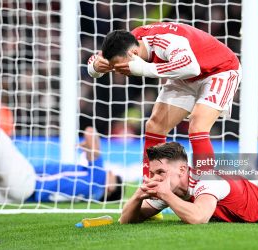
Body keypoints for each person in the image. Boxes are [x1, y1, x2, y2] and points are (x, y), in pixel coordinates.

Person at [87, 22, 241, 178]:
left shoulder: (166, 41)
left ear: (134, 53)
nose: (119, 72)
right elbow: (95, 59)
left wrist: (144, 69)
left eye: (121, 67)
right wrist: (95, 67)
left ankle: (207, 187)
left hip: (219, 70)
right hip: (185, 77)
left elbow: (190, 66)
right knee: (154, 126)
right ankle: (152, 187)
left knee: (197, 125)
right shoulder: (125, 43)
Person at [119, 142, 258, 225]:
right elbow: (125, 221)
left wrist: (166, 196)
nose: (155, 178)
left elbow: (199, 217)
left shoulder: (207, 180)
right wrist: (138, 196)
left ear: (183, 169)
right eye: (153, 173)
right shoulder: (172, 187)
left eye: (161, 172)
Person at [0, 120, 123, 203]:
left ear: (110, 188)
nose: (109, 171)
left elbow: (90, 132)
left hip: (28, 182)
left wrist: (91, 149)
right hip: (19, 196)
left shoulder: (97, 181)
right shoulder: (89, 196)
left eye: (112, 176)